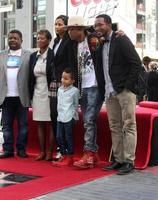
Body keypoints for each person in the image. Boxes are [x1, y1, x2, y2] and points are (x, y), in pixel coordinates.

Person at [94, 14, 141, 175]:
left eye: (100, 25)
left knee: (129, 125)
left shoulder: (121, 39)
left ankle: (129, 161)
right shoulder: (100, 44)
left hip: (124, 91)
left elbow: (136, 63)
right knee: (115, 126)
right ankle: (118, 159)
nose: (97, 28)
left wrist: (127, 86)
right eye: (95, 26)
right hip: (109, 91)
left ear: (108, 25)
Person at [67, 16, 104, 169]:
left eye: (71, 29)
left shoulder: (93, 39)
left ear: (79, 29)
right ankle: (93, 153)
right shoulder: (74, 45)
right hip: (83, 87)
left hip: (95, 85)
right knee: (87, 120)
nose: (69, 33)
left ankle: (88, 152)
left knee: (89, 120)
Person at [0, 30, 31, 159]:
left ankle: (21, 149)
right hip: (6, 96)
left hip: (22, 96)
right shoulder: (0, 55)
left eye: (15, 38)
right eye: (10, 38)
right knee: (6, 126)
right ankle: (8, 149)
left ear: (21, 40)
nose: (12, 40)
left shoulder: (29, 55)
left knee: (23, 125)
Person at [29, 29, 55, 161]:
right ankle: (42, 151)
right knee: (39, 122)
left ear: (49, 40)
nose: (39, 40)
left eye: (42, 38)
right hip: (37, 92)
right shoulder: (33, 56)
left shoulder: (53, 54)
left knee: (50, 122)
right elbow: (30, 76)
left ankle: (50, 152)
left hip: (50, 92)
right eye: (38, 38)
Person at [51, 15, 74, 160]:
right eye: (55, 24)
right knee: (55, 114)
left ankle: (67, 151)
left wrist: (68, 80)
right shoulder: (56, 41)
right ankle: (60, 147)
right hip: (55, 82)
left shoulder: (70, 41)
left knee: (65, 117)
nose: (56, 26)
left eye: (59, 24)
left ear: (66, 26)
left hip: (66, 83)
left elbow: (70, 61)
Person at [52, 68, 79, 166]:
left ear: (72, 81)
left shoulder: (75, 91)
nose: (63, 80)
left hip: (69, 117)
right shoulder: (59, 90)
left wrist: (75, 117)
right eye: (62, 78)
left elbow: (76, 105)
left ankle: (70, 156)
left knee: (68, 137)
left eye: (66, 78)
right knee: (59, 136)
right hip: (60, 117)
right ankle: (63, 154)